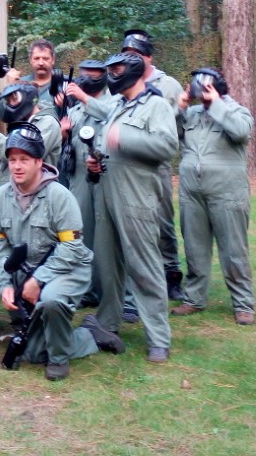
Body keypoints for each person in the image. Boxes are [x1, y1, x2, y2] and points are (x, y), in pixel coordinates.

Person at [0, 123, 120, 381]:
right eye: (12, 159)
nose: (16, 166)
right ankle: (89, 334)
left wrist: (39, 280)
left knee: (51, 299)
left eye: (24, 159)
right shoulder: (1, 196)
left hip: (68, 269)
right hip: (28, 276)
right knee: (35, 352)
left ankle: (59, 361)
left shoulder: (59, 196)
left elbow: (72, 247)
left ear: (39, 161)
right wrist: (4, 284)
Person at [87, 52, 178, 363]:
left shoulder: (156, 105)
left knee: (144, 265)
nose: (112, 74)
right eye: (110, 69)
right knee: (108, 266)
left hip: (137, 197)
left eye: (117, 69)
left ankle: (158, 338)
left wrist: (123, 136)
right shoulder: (116, 106)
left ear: (135, 70)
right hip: (108, 193)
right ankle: (108, 323)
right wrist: (96, 159)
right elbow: (105, 145)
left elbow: (168, 147)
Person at [170, 68, 256, 325]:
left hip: (227, 192)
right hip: (192, 190)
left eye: (205, 85)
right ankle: (194, 299)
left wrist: (217, 103)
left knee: (233, 249)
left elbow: (241, 132)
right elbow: (169, 134)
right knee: (195, 247)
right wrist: (180, 107)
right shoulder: (192, 114)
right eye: (197, 85)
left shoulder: (236, 110)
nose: (200, 90)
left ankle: (243, 303)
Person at [120, 28, 186, 302]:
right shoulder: (123, 82)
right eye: (127, 54)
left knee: (162, 220)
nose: (131, 59)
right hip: (128, 166)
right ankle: (135, 278)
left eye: (136, 54)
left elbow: (174, 128)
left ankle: (171, 272)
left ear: (149, 57)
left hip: (156, 164)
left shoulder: (168, 85)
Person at [61, 58, 111, 304]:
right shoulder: (74, 109)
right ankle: (87, 290)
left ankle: (111, 292)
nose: (87, 78)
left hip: (106, 175)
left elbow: (110, 115)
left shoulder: (114, 101)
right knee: (82, 234)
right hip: (79, 176)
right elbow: (70, 146)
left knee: (107, 236)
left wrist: (82, 96)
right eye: (84, 74)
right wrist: (64, 134)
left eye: (93, 74)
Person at [0, 82, 62, 188]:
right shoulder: (23, 121)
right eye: (9, 101)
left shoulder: (48, 123)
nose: (11, 104)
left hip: (37, 192)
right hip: (12, 192)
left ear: (29, 97)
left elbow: (27, 151)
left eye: (14, 99)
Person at [4, 39, 57, 110]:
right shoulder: (20, 84)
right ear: (30, 60)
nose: (41, 63)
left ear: (53, 60)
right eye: (36, 58)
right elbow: (5, 114)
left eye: (45, 58)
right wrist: (11, 88)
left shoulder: (65, 85)